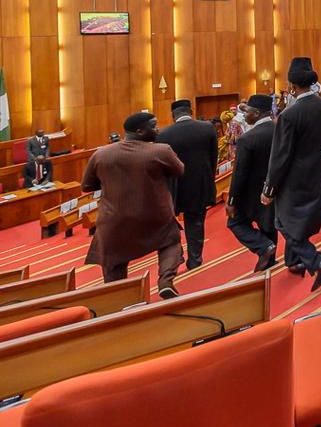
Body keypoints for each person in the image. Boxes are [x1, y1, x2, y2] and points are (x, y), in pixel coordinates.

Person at [82, 112, 184, 300]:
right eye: (153, 126)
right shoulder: (161, 150)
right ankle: (165, 281)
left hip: (114, 218)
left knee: (114, 260)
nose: (158, 129)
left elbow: (87, 186)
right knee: (171, 242)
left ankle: (117, 298)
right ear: (139, 131)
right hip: (155, 214)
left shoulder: (101, 154)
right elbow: (179, 170)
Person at [262, 57, 321, 291]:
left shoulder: (288, 115)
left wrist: (269, 189)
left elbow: (280, 156)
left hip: (292, 179)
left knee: (282, 222)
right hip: (315, 173)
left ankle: (315, 259)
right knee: (300, 220)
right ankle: (294, 261)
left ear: (292, 87)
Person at [157, 98, 218, 270]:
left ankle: (177, 255)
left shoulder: (163, 134)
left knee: (171, 222)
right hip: (199, 184)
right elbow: (213, 158)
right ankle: (195, 260)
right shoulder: (207, 128)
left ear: (173, 115)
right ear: (191, 111)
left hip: (174, 187)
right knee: (196, 222)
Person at [226, 95, 277, 273]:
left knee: (234, 222)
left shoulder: (247, 139)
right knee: (268, 223)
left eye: (247, 111)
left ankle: (264, 247)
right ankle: (271, 259)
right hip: (276, 188)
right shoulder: (281, 130)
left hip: (252, 193)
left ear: (256, 113)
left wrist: (232, 200)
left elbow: (239, 173)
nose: (244, 114)